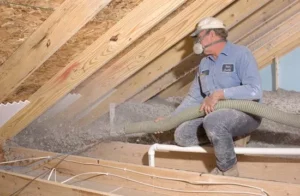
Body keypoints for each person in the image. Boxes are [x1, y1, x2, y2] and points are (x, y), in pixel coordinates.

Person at [156, 17, 262, 177]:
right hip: (215, 116)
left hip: (246, 114)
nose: (197, 41)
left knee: (213, 122)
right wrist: (170, 119)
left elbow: (255, 90)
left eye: (199, 37)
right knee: (182, 135)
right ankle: (233, 137)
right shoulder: (204, 64)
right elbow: (194, 97)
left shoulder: (241, 54)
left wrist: (220, 94)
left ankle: (228, 169)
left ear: (211, 34)